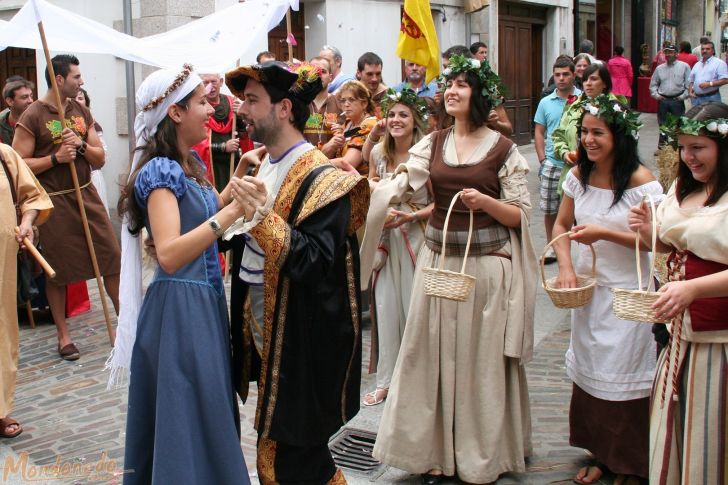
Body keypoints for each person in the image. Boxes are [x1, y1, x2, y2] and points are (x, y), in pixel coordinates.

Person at [363, 53, 536, 484]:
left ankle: (481, 454)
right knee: (431, 359)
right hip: (438, 266)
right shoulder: (434, 142)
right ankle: (435, 452)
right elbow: (407, 179)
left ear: (478, 94)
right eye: (450, 84)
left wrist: (487, 203)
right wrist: (376, 191)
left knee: (481, 363)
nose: (452, 90)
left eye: (461, 84)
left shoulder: (503, 150)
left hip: (485, 271)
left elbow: (521, 215)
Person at [223, 60, 368, 483]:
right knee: (277, 448)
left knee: (294, 458)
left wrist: (261, 217)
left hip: (299, 336)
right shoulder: (261, 163)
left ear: (284, 108)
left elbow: (315, 263)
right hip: (262, 321)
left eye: (252, 100)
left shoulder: (325, 178)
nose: (242, 110)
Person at [114, 64, 250, 484]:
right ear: (174, 113)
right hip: (178, 310)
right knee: (187, 412)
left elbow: (198, 218)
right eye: (201, 103)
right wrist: (231, 212)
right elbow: (170, 253)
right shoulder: (161, 173)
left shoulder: (186, 164)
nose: (211, 109)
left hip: (200, 303)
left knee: (204, 408)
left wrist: (239, 177)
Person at [551, 96, 662, 484]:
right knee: (591, 370)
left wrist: (604, 234)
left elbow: (656, 242)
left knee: (626, 371)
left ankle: (632, 462)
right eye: (584, 132)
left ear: (619, 135)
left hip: (629, 294)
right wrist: (565, 265)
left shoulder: (641, 183)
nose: (589, 139)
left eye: (598, 132)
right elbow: (561, 225)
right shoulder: (578, 176)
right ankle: (601, 453)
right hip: (588, 290)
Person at [628, 102, 728, 484]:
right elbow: (678, 248)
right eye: (683, 147)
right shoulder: (682, 188)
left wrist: (694, 289)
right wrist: (649, 231)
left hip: (718, 345)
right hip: (679, 339)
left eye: (698, 148)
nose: (688, 157)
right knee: (677, 437)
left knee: (711, 439)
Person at [12, 54, 120, 361]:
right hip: (54, 200)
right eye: (76, 76)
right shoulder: (33, 115)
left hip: (85, 194)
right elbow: (19, 165)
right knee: (58, 270)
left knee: (110, 257)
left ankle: (124, 326)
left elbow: (100, 157)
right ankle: (63, 335)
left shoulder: (80, 109)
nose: (82, 81)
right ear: (59, 79)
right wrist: (56, 158)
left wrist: (83, 146)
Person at [360, 88, 433, 407]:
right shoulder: (379, 152)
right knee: (386, 307)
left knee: (415, 309)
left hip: (417, 238)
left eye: (403, 114)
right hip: (385, 241)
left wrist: (410, 214)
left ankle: (418, 380)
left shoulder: (426, 155)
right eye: (391, 114)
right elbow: (372, 188)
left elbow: (440, 203)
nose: (396, 120)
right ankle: (386, 380)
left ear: (415, 120)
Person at [0, 143, 52, 439]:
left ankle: (0, 409)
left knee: (2, 332)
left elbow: (33, 197)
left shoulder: (4, 155)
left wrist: (26, 222)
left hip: (1, 266)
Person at [535, 56, 581, 263]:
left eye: (565, 74)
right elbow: (539, 132)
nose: (561, 79)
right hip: (553, 163)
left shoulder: (583, 99)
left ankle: (573, 247)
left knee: (575, 209)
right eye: (557, 75)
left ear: (573, 75)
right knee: (549, 208)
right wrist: (542, 159)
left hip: (578, 164)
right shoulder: (546, 102)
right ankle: (552, 246)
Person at [191, 72, 249, 192]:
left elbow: (244, 134)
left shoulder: (232, 102)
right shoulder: (198, 107)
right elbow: (196, 145)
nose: (210, 86)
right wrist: (223, 147)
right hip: (211, 165)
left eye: (213, 81)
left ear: (221, 82)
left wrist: (241, 114)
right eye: (206, 82)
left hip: (232, 163)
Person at [330, 80, 378, 175]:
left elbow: (348, 163)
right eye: (343, 101)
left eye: (351, 100)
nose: (346, 104)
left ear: (364, 104)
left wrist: (318, 164)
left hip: (363, 182)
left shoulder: (369, 124)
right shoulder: (348, 123)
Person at [75, 87, 109, 214]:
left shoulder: (93, 126)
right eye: (74, 98)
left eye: (80, 98)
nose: (77, 101)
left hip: (92, 176)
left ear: (86, 104)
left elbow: (102, 155)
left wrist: (81, 145)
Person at [650, 44, 691, 148]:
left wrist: (683, 96)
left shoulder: (684, 66)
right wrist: (656, 95)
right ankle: (662, 147)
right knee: (663, 125)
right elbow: (653, 84)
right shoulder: (659, 68)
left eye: (670, 52)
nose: (668, 54)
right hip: (663, 100)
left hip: (677, 100)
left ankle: (678, 147)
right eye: (666, 52)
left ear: (676, 54)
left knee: (679, 124)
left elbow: (689, 84)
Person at [303, 57, 343, 157]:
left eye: (323, 72)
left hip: (333, 166)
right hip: (304, 164)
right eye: (314, 71)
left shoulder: (341, 104)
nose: (318, 76)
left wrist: (342, 131)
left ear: (330, 77)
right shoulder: (299, 103)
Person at [688, 40, 728, 105]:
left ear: (713, 51)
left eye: (707, 49)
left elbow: (725, 80)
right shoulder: (697, 64)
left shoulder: (719, 63)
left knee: (711, 115)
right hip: (696, 99)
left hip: (711, 98)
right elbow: (691, 80)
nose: (704, 51)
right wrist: (690, 92)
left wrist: (709, 84)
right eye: (702, 49)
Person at [1, 78, 34, 145]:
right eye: (25, 97)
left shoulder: (39, 120)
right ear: (10, 101)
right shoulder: (1, 125)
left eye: (31, 96)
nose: (31, 101)